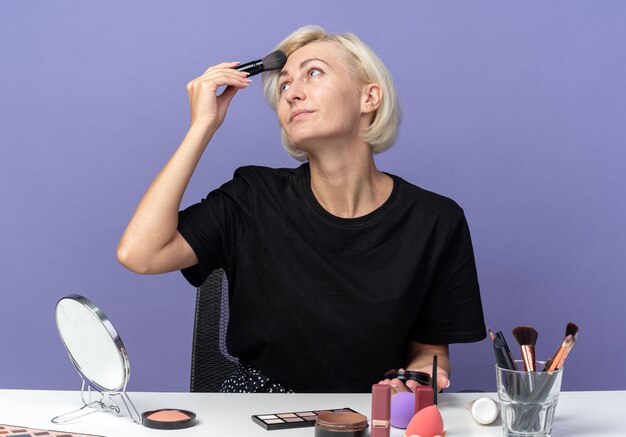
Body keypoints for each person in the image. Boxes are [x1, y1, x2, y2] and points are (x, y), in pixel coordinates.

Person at [117, 25, 486, 393]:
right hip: (255, 413)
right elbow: (141, 253)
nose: (293, 93)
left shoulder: (436, 220)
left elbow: (429, 350)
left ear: (369, 97)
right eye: (284, 86)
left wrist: (420, 377)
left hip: (371, 412)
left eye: (313, 72)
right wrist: (202, 126)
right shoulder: (252, 196)